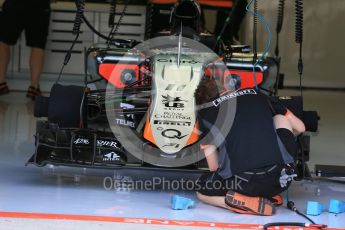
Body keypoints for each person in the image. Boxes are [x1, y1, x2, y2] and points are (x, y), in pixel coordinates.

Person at [194, 78, 305, 216]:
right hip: (280, 179)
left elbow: (214, 167)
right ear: (226, 88)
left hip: (243, 183)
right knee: (280, 118)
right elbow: (300, 127)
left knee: (201, 190)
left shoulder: (206, 114)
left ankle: (235, 201)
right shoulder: (257, 94)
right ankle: (264, 195)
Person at [0, 0, 51, 99]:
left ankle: (1, 83)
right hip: (39, 5)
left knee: (3, 41)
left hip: (15, 4)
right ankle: (34, 87)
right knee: (38, 45)